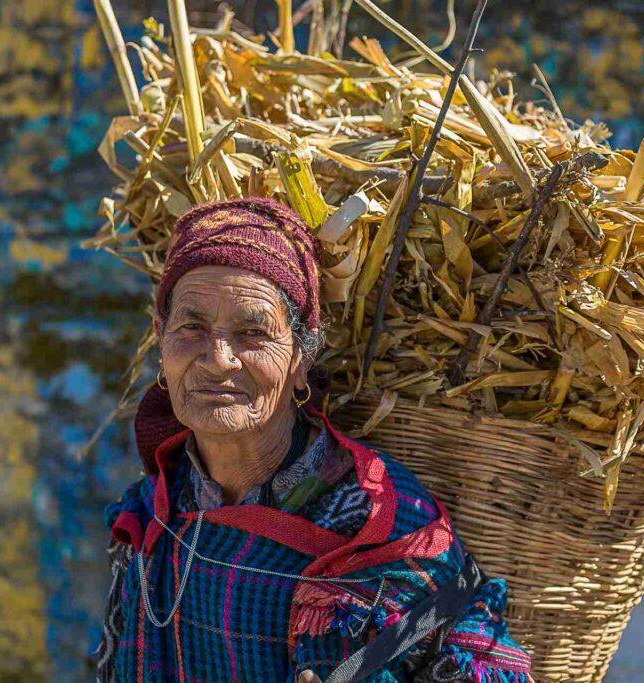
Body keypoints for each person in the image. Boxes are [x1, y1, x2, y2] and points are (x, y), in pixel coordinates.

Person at [94, 197, 533, 682]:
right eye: (192, 326)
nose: (218, 358)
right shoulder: (155, 511)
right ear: (161, 338)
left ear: (303, 358)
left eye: (253, 332)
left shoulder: (381, 522)